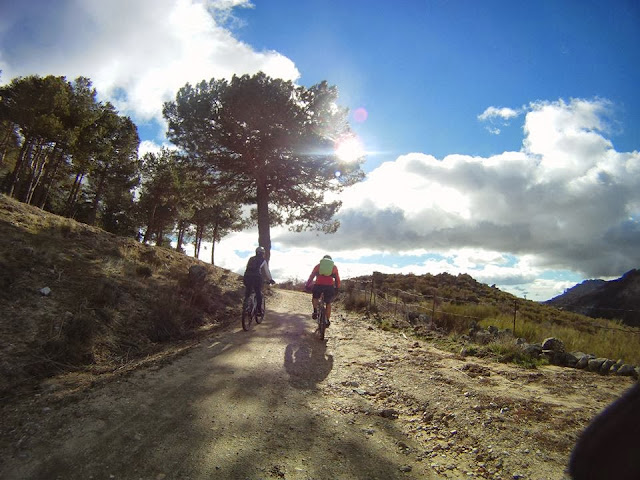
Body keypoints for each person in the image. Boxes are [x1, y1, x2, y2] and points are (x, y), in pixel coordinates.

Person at [305, 254, 340, 326]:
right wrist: (337, 288)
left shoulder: (318, 266)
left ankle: (315, 311)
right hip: (329, 286)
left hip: (318, 285)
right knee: (328, 303)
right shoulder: (334, 267)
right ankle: (327, 320)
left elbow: (311, 276)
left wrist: (307, 285)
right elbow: (337, 279)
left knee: (315, 298)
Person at [243, 246, 275, 315]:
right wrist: (270, 279)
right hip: (256, 277)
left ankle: (245, 306)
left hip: (246, 276)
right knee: (258, 292)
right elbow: (267, 271)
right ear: (263, 253)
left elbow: (247, 268)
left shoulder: (251, 258)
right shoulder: (263, 260)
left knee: (248, 292)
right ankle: (259, 310)